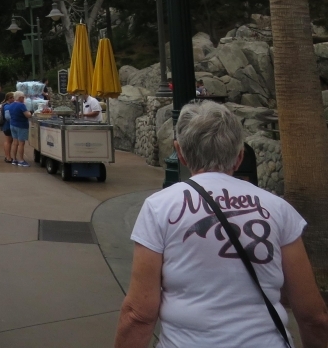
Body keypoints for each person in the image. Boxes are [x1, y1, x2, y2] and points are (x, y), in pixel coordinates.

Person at [114, 101, 328, 348]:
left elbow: (138, 315)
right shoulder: (278, 209)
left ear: (180, 153)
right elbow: (313, 316)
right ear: (239, 157)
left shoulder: (159, 208)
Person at [8, 93, 31, 167]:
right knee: (21, 143)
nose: (24, 99)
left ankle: (14, 159)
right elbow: (28, 115)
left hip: (13, 124)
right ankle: (21, 160)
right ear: (19, 97)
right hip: (21, 125)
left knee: (15, 143)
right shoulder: (21, 105)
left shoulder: (11, 105)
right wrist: (30, 113)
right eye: (23, 97)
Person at [0, 92, 15, 162]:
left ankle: (7, 156)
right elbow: (7, 117)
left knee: (8, 141)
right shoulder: (7, 106)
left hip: (6, 125)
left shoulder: (5, 105)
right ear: (10, 98)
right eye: (13, 98)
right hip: (7, 125)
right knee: (8, 141)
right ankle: (8, 157)